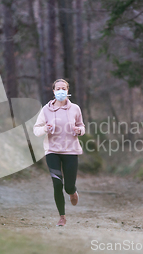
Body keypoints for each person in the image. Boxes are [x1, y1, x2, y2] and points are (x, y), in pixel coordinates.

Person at [33, 78, 86, 226]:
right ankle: (62, 216)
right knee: (57, 184)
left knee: (68, 186)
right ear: (54, 91)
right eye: (58, 89)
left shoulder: (75, 108)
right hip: (52, 151)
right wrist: (45, 129)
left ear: (67, 91)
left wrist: (79, 130)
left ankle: (72, 191)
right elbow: (36, 129)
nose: (61, 91)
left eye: (64, 88)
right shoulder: (46, 110)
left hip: (70, 151)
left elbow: (82, 126)